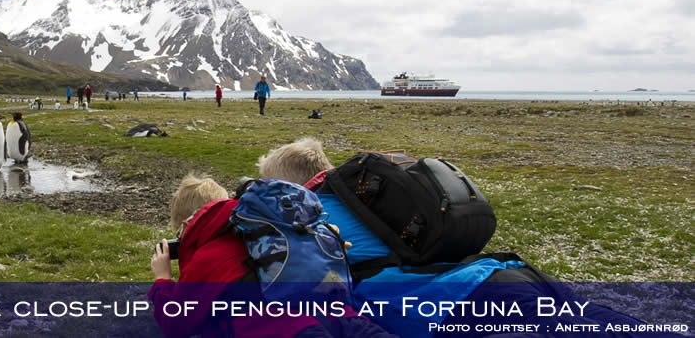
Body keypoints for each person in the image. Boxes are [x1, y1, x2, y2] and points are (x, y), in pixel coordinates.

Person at [258, 138, 655, 338]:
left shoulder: (303, 220)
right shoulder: (361, 197)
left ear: (284, 185)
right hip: (503, 273)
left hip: (457, 307)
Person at [150, 174, 388, 338]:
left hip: (287, 329)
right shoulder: (266, 228)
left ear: (186, 223)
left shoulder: (209, 256)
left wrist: (162, 280)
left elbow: (175, 323)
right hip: (340, 315)